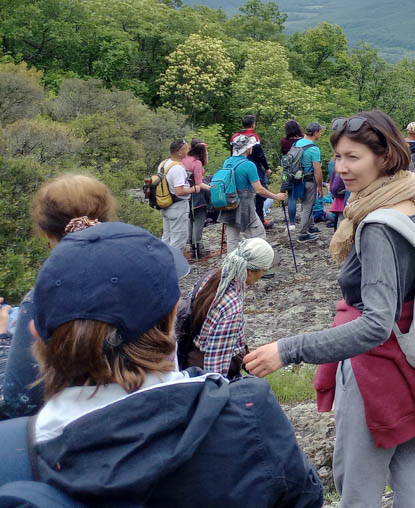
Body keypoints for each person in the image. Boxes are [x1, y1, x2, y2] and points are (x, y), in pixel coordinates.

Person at [245, 110, 415, 508]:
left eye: (353, 157)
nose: (341, 168)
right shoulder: (412, 198)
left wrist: (288, 349)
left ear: (384, 157)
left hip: (377, 373)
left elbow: (376, 324)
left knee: (357, 488)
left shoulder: (378, 225)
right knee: (414, 479)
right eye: (338, 157)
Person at [24, 222, 324, 507]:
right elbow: (304, 497)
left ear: (36, 331)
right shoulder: (249, 412)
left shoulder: (19, 454)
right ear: (170, 317)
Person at [1, 175, 120, 418]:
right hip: (136, 414)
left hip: (68, 430)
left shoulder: (40, 298)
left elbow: (18, 402)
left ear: (46, 232)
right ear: (106, 219)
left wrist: (3, 339)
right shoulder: (141, 276)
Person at [178, 239, 275, 377]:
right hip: (204, 371)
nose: (264, 274)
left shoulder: (213, 276)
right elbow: (215, 368)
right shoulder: (231, 306)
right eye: (264, 269)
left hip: (189, 357)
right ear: (251, 270)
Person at [219, 134, 287, 249]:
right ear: (247, 148)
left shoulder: (227, 162)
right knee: (259, 236)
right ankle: (260, 262)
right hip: (245, 206)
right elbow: (259, 189)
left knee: (232, 239)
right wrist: (276, 196)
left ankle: (233, 264)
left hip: (229, 203)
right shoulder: (249, 165)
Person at [231, 113, 273, 230]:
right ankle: (260, 219)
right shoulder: (254, 137)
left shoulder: (235, 137)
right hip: (253, 167)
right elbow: (260, 155)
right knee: (260, 193)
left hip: (237, 167)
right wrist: (267, 168)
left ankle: (244, 220)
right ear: (253, 124)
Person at [158, 138, 199, 253]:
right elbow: (179, 191)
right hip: (178, 207)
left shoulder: (163, 164)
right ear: (179, 152)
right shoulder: (178, 168)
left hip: (166, 204)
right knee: (178, 240)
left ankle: (162, 264)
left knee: (166, 237)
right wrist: (194, 189)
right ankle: (175, 268)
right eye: (186, 149)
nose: (188, 152)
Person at [293, 122, 325, 243]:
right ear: (316, 132)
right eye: (320, 131)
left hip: (297, 179)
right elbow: (317, 170)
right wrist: (320, 187)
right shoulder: (313, 148)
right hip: (309, 180)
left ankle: (310, 226)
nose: (320, 134)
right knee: (308, 206)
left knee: (304, 204)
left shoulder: (297, 143)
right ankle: (302, 234)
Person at [182, 138, 213, 259]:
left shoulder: (184, 160)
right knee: (198, 221)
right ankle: (197, 248)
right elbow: (199, 183)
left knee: (190, 220)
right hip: (197, 196)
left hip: (185, 195)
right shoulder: (197, 163)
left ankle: (192, 246)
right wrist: (213, 189)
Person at [280, 119, 304, 225]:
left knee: (291, 197)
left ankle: (292, 222)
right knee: (306, 197)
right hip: (301, 169)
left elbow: (284, 153)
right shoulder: (302, 140)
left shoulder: (284, 141)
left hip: (288, 171)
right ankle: (306, 220)